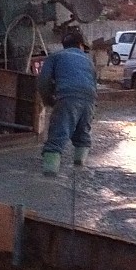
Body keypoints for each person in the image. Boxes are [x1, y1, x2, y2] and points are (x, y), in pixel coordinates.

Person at [37, 29, 98, 176]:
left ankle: (49, 175)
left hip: (67, 97)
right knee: (83, 134)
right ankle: (79, 167)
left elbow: (43, 81)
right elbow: (94, 84)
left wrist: (48, 100)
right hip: (89, 100)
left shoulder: (55, 57)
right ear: (80, 45)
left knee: (58, 134)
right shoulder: (89, 61)